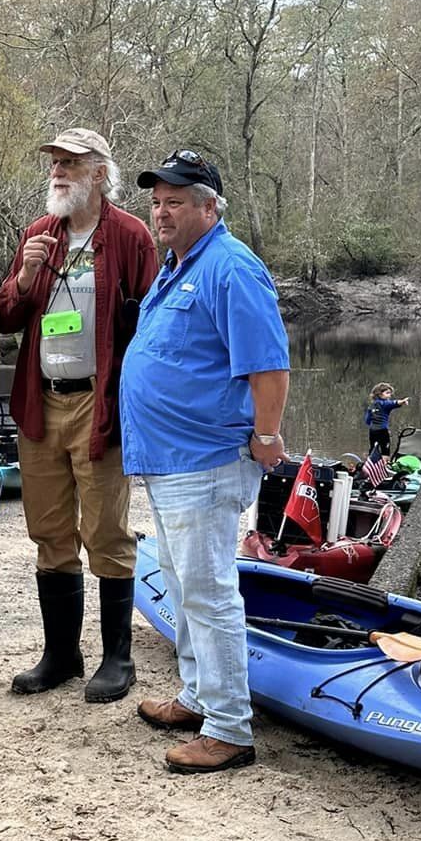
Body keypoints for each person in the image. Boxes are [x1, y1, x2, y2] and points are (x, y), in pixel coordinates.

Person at [120, 152, 290, 777]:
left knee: (210, 591)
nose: (161, 212)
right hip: (167, 461)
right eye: (157, 202)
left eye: (175, 201)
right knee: (183, 583)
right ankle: (198, 696)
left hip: (207, 460)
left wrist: (267, 434)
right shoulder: (176, 267)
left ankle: (229, 728)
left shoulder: (231, 267)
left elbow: (269, 366)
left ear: (208, 207)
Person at [0, 128, 158, 703]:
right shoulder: (38, 235)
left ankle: (118, 659)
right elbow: (7, 318)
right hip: (42, 402)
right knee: (49, 532)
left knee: (107, 532)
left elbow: (150, 328)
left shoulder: (132, 236)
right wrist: (24, 276)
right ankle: (61, 654)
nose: (59, 172)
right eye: (55, 164)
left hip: (100, 402)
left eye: (71, 163)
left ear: (99, 173)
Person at [364, 381, 409, 457]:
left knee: (373, 448)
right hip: (382, 430)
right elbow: (394, 403)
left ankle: (370, 463)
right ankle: (385, 464)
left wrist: (373, 424)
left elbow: (367, 420)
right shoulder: (384, 404)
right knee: (385, 450)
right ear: (379, 394)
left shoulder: (371, 405)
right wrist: (403, 401)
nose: (389, 395)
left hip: (372, 431)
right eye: (387, 393)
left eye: (390, 393)